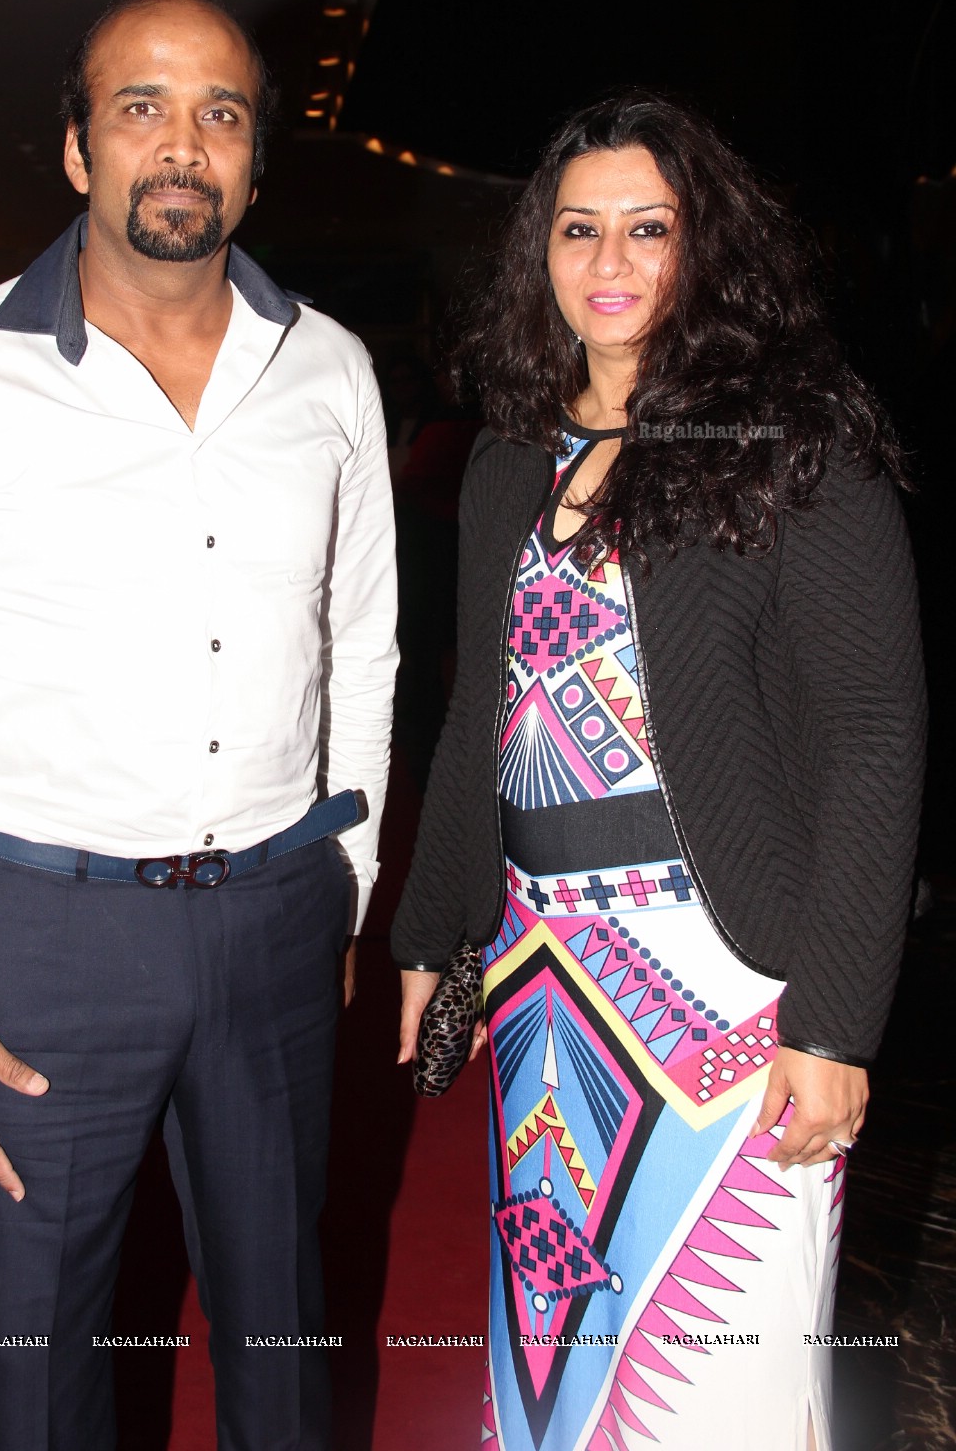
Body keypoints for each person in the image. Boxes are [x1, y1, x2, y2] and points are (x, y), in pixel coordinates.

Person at [0, 0, 398, 1451]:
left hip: (274, 914)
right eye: (140, 108)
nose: (181, 145)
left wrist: (344, 890)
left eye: (220, 113)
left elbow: (363, 649)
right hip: (41, 940)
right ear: (79, 149)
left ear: (258, 158)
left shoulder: (330, 369)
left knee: (282, 1336)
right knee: (34, 1362)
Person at [391, 93, 924, 1451]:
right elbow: (476, 718)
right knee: (558, 1358)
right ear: (540, 253)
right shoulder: (512, 457)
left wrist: (835, 1025)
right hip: (539, 982)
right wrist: (430, 928)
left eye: (648, 228)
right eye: (579, 229)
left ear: (708, 251)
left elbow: (875, 734)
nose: (609, 261)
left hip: (729, 981)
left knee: (722, 1384)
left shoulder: (793, 443)